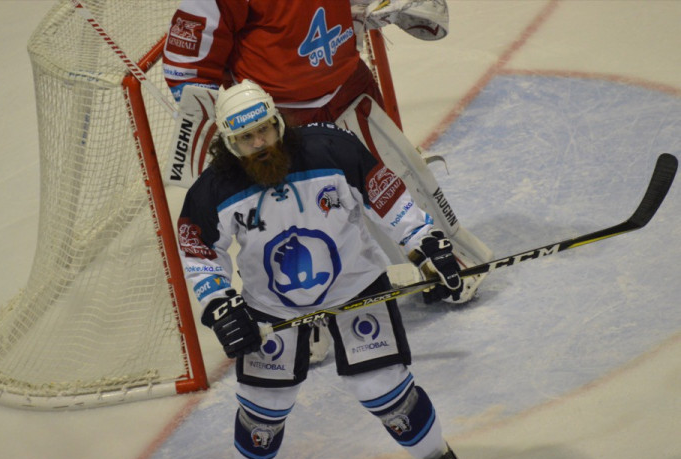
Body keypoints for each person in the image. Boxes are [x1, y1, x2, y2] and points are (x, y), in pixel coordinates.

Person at [177, 79, 472, 459]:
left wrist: (423, 241)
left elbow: (386, 197)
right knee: (264, 410)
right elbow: (199, 251)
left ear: (279, 122)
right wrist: (221, 305)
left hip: (355, 286)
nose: (260, 143)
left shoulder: (332, 149)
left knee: (384, 389)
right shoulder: (213, 190)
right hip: (271, 306)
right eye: (245, 138)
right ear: (227, 143)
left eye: (266, 129)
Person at [162, 0, 494, 316]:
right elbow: (184, 65)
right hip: (277, 119)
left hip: (348, 85)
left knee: (393, 180)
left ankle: (440, 259)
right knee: (295, 218)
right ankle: (305, 308)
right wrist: (228, 128)